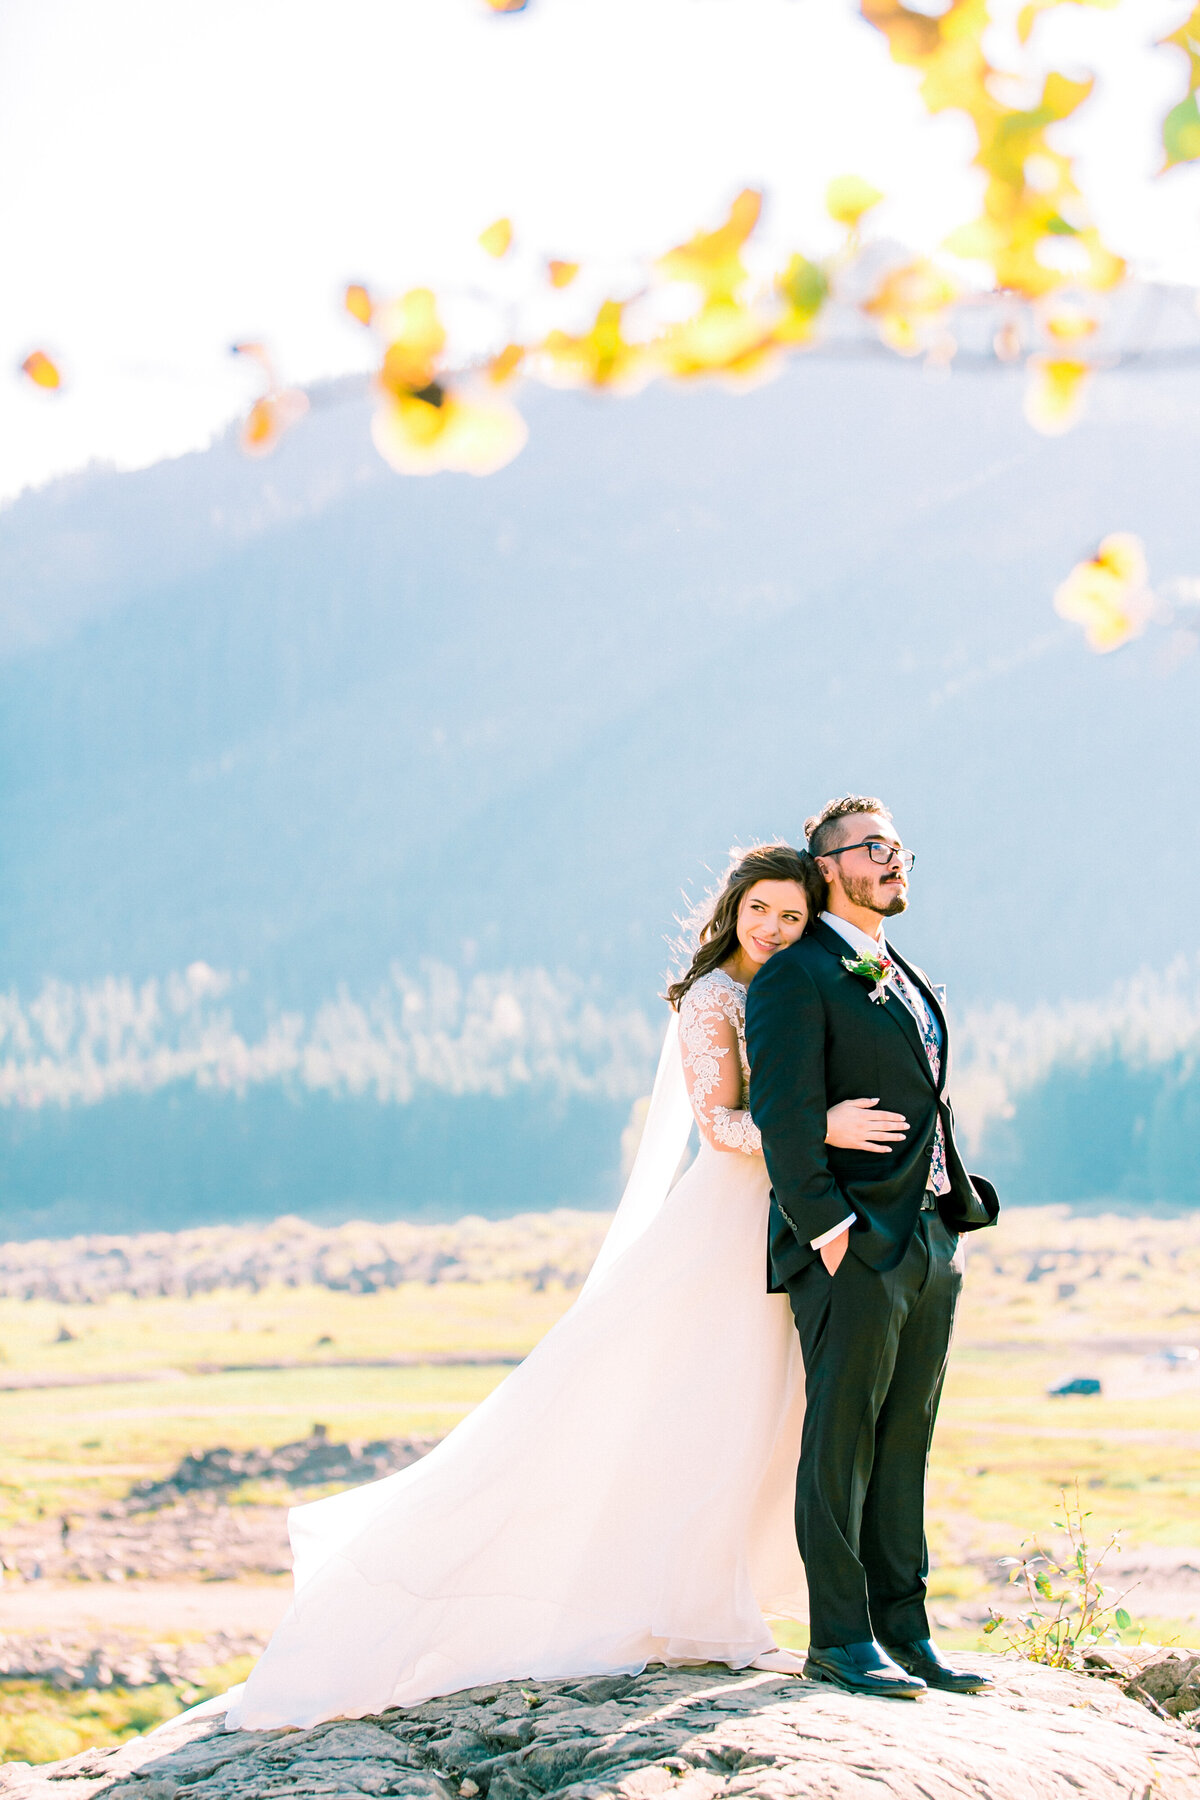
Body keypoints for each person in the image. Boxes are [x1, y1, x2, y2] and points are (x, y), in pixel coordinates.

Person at [222, 844, 908, 1730]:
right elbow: (722, 1125)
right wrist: (825, 1126)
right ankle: (660, 1607)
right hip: (727, 1222)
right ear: (732, 911)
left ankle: (710, 1602)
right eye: (759, 912)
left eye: (791, 915)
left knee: (750, 1417)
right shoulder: (713, 1001)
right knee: (704, 1407)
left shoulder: (790, 987)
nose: (775, 930)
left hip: (781, 1218)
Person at [745, 797, 999, 1702]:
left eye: (901, 850)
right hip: (850, 1242)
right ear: (829, 868)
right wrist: (831, 1232)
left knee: (907, 1438)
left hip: (930, 1235)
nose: (897, 863)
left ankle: (906, 1632)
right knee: (842, 1439)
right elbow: (779, 1115)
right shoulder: (793, 976)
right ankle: (838, 1640)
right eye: (876, 849)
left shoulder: (908, 972)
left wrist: (944, 1219)